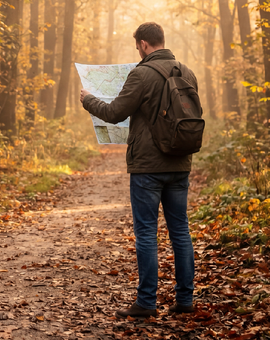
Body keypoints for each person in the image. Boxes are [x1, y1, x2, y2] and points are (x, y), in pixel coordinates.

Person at [79, 22, 197, 319]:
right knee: (180, 231)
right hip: (180, 162)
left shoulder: (141, 74)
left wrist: (89, 100)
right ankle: (185, 300)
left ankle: (146, 303)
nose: (138, 52)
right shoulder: (187, 72)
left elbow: (115, 113)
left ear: (144, 44)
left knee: (147, 233)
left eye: (137, 47)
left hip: (148, 167)